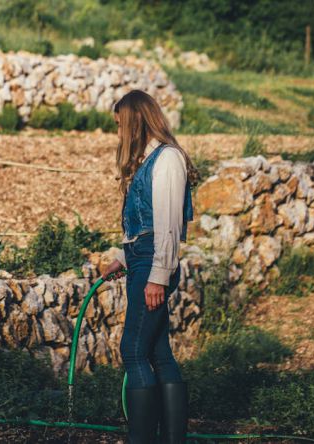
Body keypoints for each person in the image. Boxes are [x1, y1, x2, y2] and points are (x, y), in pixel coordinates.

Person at [99, 90, 198, 444]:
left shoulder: (167, 159)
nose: (119, 133)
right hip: (142, 258)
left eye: (121, 124)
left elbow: (168, 226)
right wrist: (122, 257)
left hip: (154, 264)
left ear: (136, 119)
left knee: (133, 350)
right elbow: (144, 225)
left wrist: (158, 276)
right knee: (158, 351)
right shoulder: (147, 161)